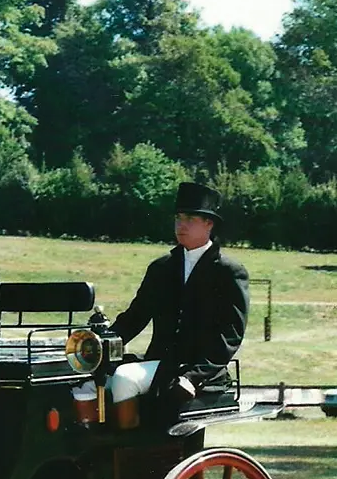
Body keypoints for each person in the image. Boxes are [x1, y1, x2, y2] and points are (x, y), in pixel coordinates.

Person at [100, 182, 250, 427]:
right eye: (178, 218)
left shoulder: (228, 271)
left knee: (125, 378)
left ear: (208, 224)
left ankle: (130, 451)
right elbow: (135, 317)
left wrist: (193, 377)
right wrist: (98, 348)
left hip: (199, 370)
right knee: (94, 380)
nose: (181, 225)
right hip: (160, 363)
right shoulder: (161, 268)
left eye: (190, 218)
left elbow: (230, 335)